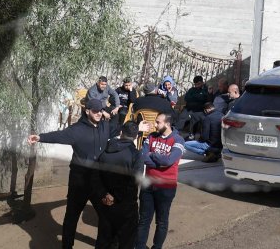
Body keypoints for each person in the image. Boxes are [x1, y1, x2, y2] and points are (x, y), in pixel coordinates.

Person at [28, 95, 117, 249]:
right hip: (79, 182)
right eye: (95, 111)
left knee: (106, 215)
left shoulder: (105, 126)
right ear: (87, 111)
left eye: (101, 111)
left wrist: (137, 127)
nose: (99, 113)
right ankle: (67, 246)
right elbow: (58, 135)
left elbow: (119, 129)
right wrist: (40, 137)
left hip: (99, 182)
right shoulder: (77, 130)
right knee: (71, 217)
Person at [90, 120, 147, 249]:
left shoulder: (105, 149)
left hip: (106, 203)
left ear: (121, 133)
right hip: (126, 205)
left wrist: (104, 194)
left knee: (104, 238)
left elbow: (95, 175)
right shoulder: (136, 154)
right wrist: (116, 196)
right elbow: (134, 181)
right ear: (136, 136)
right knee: (126, 241)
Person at [137, 112, 184, 249]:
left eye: (158, 122)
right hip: (148, 185)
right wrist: (159, 162)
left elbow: (169, 160)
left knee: (161, 221)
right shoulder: (151, 136)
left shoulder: (178, 140)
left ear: (167, 124)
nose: (155, 125)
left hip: (166, 187)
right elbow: (142, 156)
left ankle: (156, 247)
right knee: (144, 220)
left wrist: (152, 154)